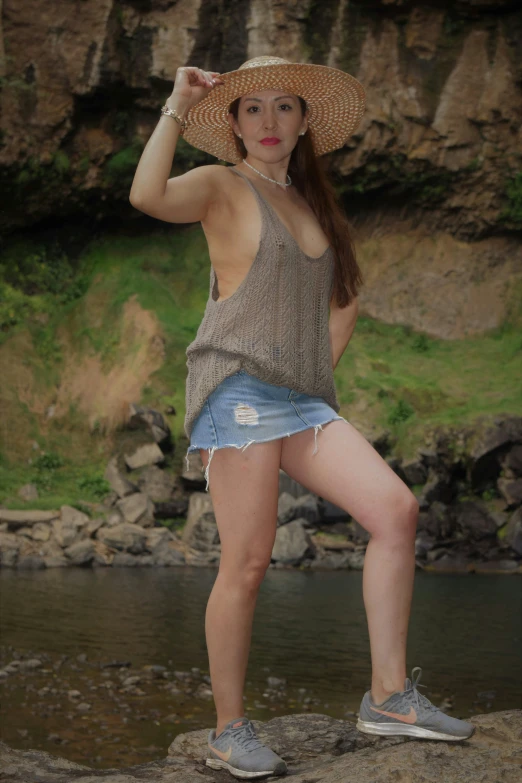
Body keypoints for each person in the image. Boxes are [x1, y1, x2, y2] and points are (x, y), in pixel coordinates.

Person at [129, 55, 474, 781]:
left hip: (300, 402)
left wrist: (315, 372)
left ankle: (387, 694)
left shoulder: (313, 204)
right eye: (252, 109)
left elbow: (343, 298)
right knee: (248, 563)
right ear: (232, 123)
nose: (268, 122)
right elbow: (146, 193)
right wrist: (173, 105)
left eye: (284, 107)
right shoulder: (223, 185)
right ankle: (228, 728)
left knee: (395, 510)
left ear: (305, 121)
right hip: (237, 393)